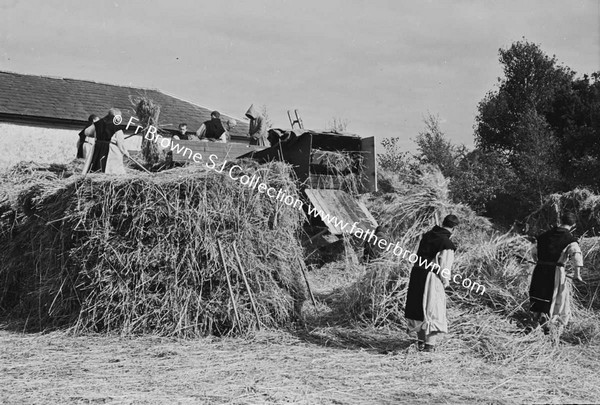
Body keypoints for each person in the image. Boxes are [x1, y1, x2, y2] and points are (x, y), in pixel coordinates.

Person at [405, 214, 459, 352]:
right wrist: (445, 282)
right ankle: (429, 346)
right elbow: (445, 267)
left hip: (417, 274)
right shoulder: (446, 244)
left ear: (443, 223)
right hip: (431, 277)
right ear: (454, 228)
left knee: (418, 308)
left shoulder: (427, 235)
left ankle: (420, 343)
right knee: (432, 308)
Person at [529, 212, 583, 335]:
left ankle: (538, 317)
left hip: (539, 269)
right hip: (556, 271)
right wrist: (577, 274)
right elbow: (576, 256)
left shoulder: (543, 236)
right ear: (573, 225)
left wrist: (539, 261)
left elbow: (533, 253)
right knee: (556, 295)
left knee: (539, 293)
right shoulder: (570, 240)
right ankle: (550, 322)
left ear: (560, 220)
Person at [82, 108, 130, 174]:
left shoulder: (98, 123)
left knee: (95, 166)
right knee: (113, 169)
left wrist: (97, 135)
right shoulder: (116, 126)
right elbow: (120, 142)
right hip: (110, 149)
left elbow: (87, 132)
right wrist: (125, 152)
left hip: (97, 147)